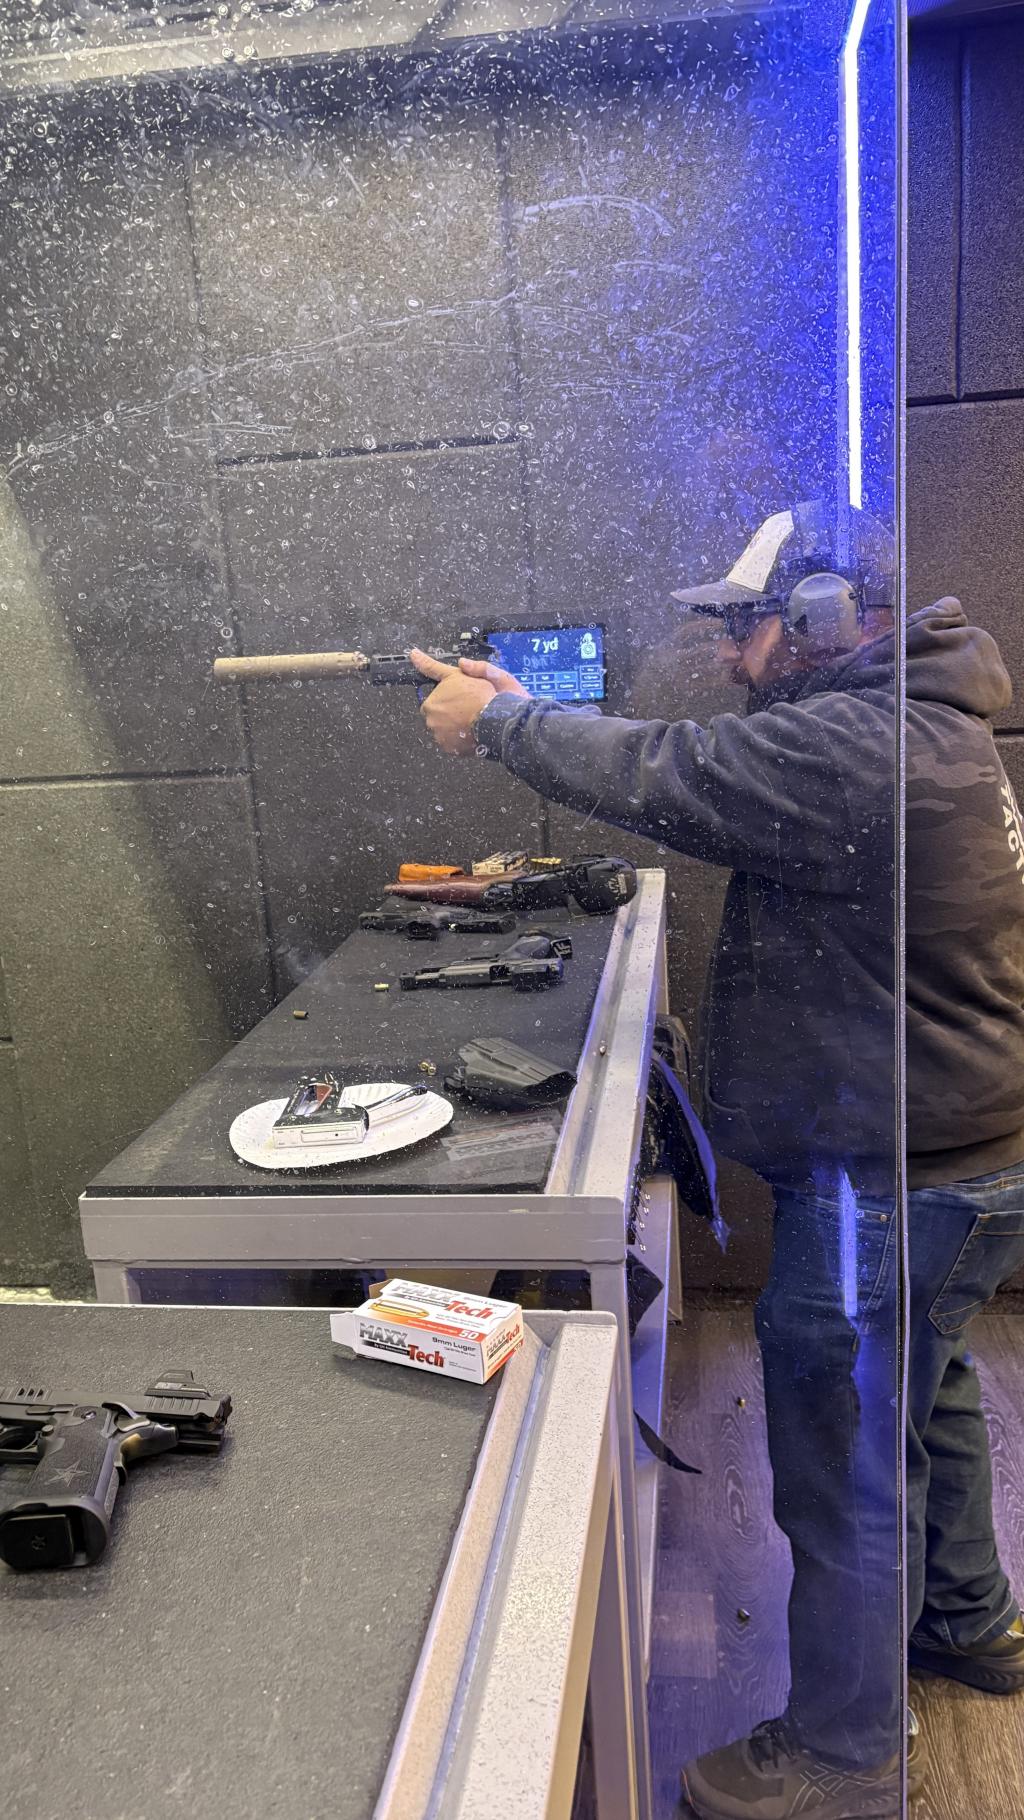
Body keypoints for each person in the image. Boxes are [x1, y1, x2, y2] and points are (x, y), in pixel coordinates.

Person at [410, 499, 1024, 1820]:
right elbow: (699, 760)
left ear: (827, 617)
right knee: (926, 1394)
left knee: (845, 1464)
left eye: (752, 628)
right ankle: (969, 1621)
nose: (736, 658)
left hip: (895, 1178)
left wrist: (504, 724)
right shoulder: (919, 720)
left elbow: (672, 773)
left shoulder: (864, 742)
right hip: (953, 1153)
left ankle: (849, 1755)